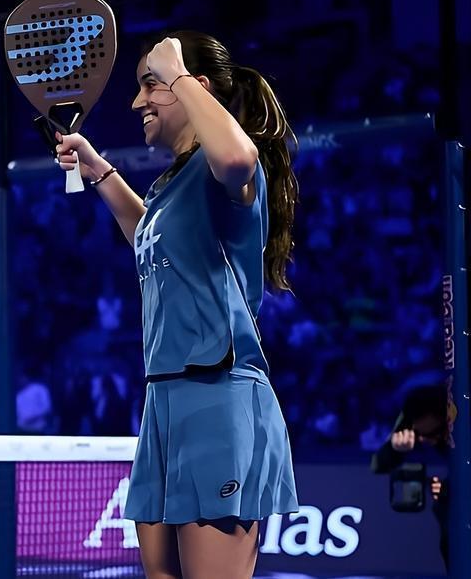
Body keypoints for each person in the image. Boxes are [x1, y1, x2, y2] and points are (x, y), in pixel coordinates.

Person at [55, 32, 299, 578]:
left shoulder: (227, 171)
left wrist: (176, 70)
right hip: (164, 399)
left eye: (150, 85)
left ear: (195, 88)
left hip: (219, 397)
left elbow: (238, 155)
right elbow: (147, 234)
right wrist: (99, 171)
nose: (137, 102)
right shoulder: (174, 183)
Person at [370, 383, 449, 569]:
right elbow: (378, 464)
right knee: (444, 507)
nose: (421, 440)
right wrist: (396, 450)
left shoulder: (456, 410)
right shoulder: (415, 410)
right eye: (418, 434)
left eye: (430, 434)